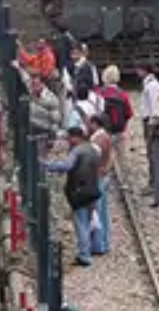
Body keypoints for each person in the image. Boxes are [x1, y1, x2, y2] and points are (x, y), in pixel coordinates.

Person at [42, 127, 102, 266]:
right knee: (87, 222)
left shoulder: (77, 151)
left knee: (80, 225)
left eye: (69, 138)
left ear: (76, 137)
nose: (68, 141)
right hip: (93, 190)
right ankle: (91, 249)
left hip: (79, 192)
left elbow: (67, 166)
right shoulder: (92, 149)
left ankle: (84, 256)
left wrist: (47, 165)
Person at [85, 114, 114, 256]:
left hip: (97, 178)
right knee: (102, 211)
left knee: (95, 211)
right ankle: (104, 242)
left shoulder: (98, 140)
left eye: (89, 123)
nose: (87, 125)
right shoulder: (106, 136)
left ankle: (98, 245)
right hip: (103, 176)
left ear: (95, 124)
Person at [136, 68, 159, 196]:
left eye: (138, 69)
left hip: (151, 123)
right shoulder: (149, 83)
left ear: (144, 70)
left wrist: (152, 126)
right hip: (148, 122)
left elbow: (155, 107)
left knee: (153, 154)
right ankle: (155, 182)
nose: (137, 72)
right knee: (151, 154)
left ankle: (155, 184)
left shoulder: (152, 85)